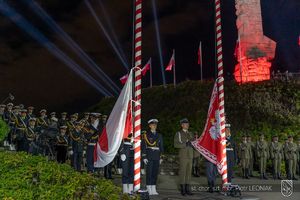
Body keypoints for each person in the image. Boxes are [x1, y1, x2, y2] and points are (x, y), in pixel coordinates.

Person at [142, 119, 164, 195]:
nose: (154, 126)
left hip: (157, 156)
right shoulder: (146, 135)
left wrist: (161, 157)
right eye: (153, 125)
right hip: (149, 155)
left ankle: (153, 188)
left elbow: (161, 147)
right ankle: (149, 188)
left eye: (155, 125)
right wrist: (144, 157)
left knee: (155, 173)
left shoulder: (159, 135)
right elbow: (144, 146)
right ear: (150, 126)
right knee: (149, 173)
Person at [174, 118, 194, 196]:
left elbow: (193, 143)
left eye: (188, 124)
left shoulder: (191, 133)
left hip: (190, 155)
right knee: (183, 172)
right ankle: (182, 189)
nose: (187, 125)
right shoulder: (178, 133)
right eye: (186, 124)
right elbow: (175, 144)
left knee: (189, 172)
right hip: (183, 155)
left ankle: (187, 188)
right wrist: (185, 144)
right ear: (182, 125)